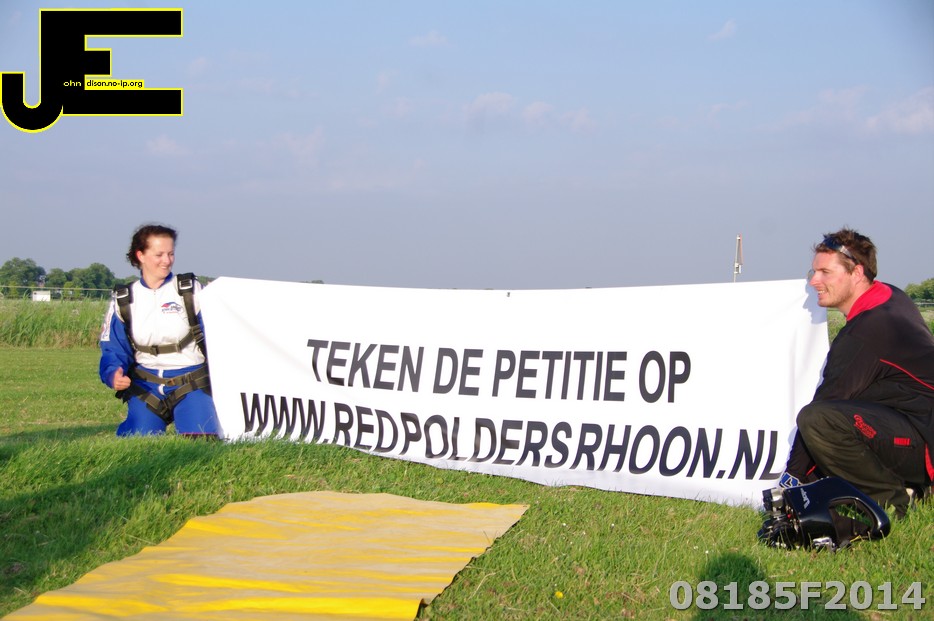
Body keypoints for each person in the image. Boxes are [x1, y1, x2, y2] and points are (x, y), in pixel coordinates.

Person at [781, 228, 934, 517]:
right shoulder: (891, 296)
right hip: (914, 423)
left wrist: (791, 481)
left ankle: (894, 501)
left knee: (818, 420)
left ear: (857, 273)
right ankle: (911, 485)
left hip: (922, 440)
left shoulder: (864, 334)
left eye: (825, 272)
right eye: (813, 271)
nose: (813, 281)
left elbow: (824, 409)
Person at [99, 224, 220, 437]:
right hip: (147, 387)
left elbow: (220, 337)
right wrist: (113, 373)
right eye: (159, 254)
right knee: (139, 444)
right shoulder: (123, 299)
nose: (167, 260)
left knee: (202, 440)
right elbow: (114, 347)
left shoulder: (190, 291)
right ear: (141, 255)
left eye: (171, 254)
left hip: (192, 382)